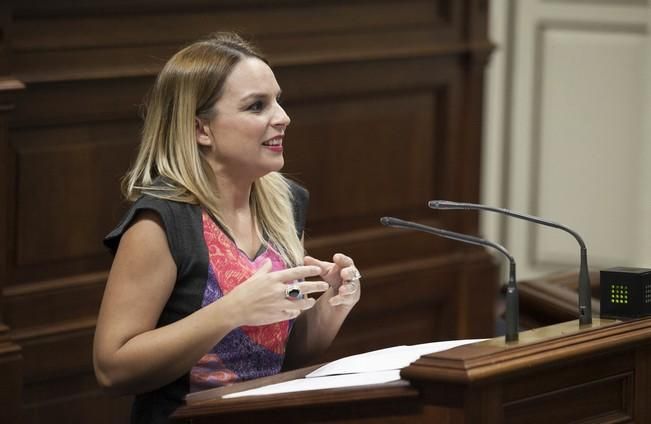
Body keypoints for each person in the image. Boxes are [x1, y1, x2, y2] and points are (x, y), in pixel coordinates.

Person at [92, 32, 361, 423]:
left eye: (277, 101)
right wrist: (233, 310)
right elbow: (112, 368)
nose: (282, 117)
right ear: (202, 129)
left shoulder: (286, 203)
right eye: (256, 106)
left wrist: (333, 305)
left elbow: (284, 355)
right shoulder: (161, 222)